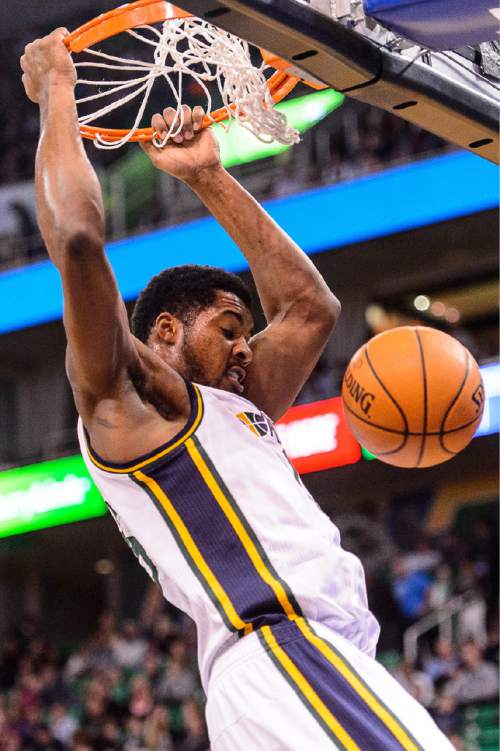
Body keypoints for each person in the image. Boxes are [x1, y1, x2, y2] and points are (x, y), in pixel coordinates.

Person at [21, 27, 455, 751]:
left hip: (298, 675)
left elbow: (312, 308)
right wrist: (57, 92)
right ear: (164, 334)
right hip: (287, 658)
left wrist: (207, 176)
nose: (246, 345)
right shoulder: (136, 404)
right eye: (228, 327)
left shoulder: (235, 407)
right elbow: (75, 243)